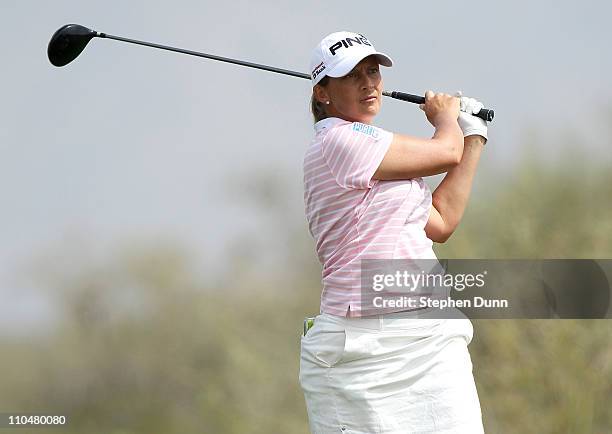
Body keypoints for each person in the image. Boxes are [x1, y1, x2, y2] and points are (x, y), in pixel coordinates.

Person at [299, 31, 488, 433]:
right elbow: (444, 151)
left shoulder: (390, 169)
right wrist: (445, 118)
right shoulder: (337, 142)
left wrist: (473, 136)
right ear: (323, 93)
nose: (369, 83)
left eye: (372, 72)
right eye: (352, 76)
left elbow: (442, 221)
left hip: (430, 339)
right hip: (360, 349)